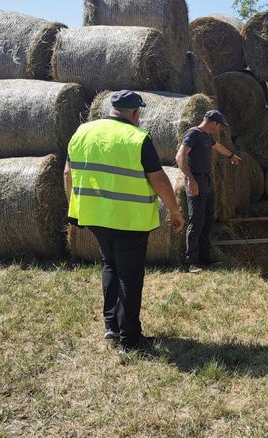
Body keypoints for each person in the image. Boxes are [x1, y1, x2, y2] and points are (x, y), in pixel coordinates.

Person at [63, 90, 185, 355]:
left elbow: (67, 173)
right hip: (130, 219)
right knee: (130, 276)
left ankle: (111, 325)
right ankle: (129, 340)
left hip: (95, 216)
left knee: (110, 265)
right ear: (135, 113)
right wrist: (175, 211)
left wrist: (74, 207)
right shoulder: (138, 138)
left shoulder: (83, 132)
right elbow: (159, 179)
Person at [175, 110, 241, 271]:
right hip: (196, 181)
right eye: (218, 126)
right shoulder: (193, 134)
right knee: (196, 221)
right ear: (213, 123)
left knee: (206, 221)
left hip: (207, 182)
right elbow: (180, 156)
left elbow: (218, 147)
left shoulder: (206, 137)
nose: (218, 129)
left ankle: (205, 258)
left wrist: (231, 155)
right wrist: (191, 179)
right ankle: (192, 261)